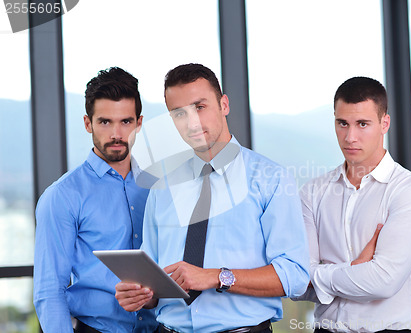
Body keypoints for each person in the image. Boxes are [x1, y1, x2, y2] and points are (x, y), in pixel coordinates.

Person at [115, 63, 310, 333]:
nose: (192, 122)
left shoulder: (271, 180)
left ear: (224, 104)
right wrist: (142, 295)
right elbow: (154, 277)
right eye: (179, 113)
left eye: (200, 106)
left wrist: (217, 277)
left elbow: (295, 276)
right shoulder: (163, 186)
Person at [298, 77, 411, 332]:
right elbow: (295, 282)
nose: (350, 137)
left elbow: (383, 281)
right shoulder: (312, 192)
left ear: (385, 123)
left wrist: (319, 276)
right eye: (342, 124)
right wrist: (353, 271)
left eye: (363, 124)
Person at [33, 67, 158, 333]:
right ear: (88, 123)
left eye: (125, 121)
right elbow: (49, 290)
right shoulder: (62, 196)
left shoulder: (158, 188)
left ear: (139, 122)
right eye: (105, 122)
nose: (116, 134)